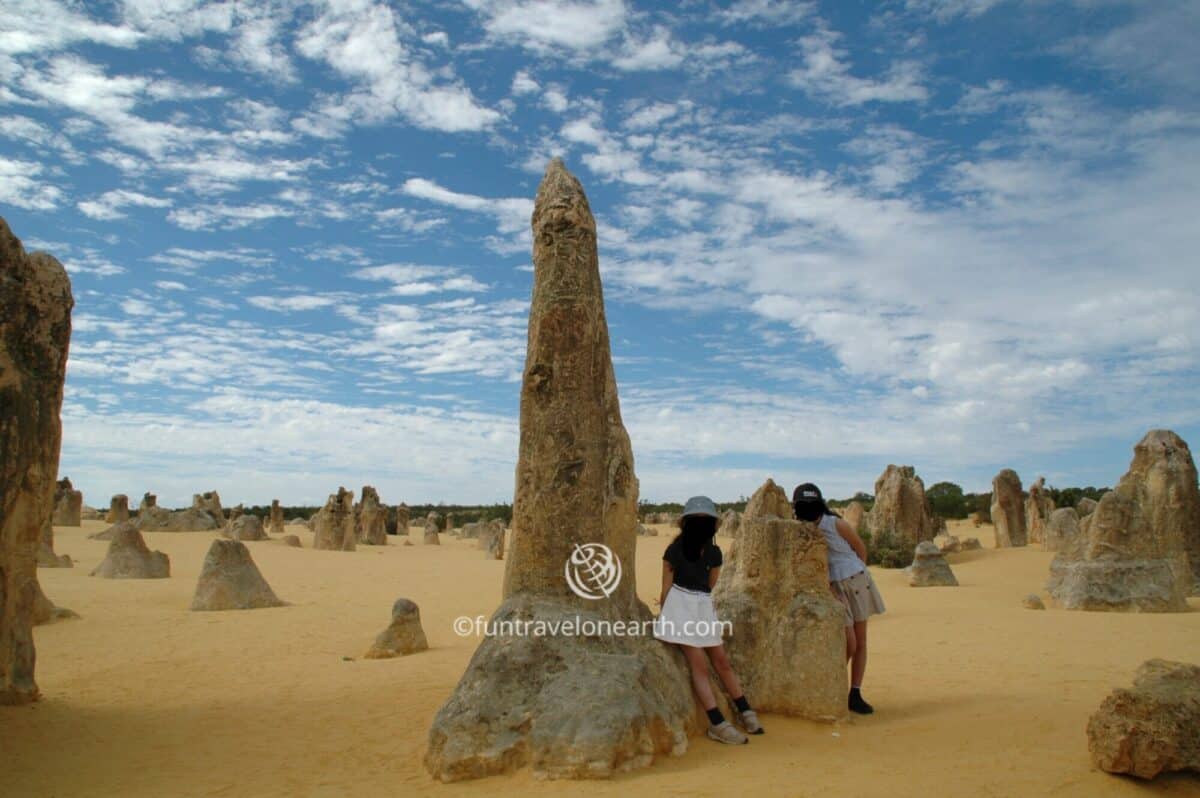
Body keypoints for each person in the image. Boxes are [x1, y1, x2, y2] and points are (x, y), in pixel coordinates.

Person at [653, 495, 764, 744]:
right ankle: (720, 722)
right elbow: (699, 585)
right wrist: (670, 615)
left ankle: (743, 710)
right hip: (689, 606)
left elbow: (685, 587)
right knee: (703, 664)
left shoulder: (695, 551)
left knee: (718, 661)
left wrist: (670, 613)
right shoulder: (694, 551)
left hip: (693, 605)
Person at [792, 482, 886, 715]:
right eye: (804, 505)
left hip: (856, 581)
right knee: (849, 642)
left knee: (861, 641)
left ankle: (854, 693)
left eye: (811, 504)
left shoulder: (836, 523)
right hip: (833, 589)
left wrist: (857, 575)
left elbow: (860, 549)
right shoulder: (800, 530)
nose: (808, 509)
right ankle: (829, 684)